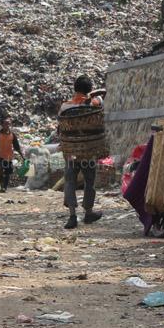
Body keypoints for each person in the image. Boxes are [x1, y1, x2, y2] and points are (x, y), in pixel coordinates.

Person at [59, 75, 103, 229]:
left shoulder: (65, 107)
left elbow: (61, 129)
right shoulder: (95, 104)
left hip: (72, 151)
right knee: (89, 181)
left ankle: (72, 216)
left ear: (75, 89)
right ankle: (88, 212)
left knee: (70, 181)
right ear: (89, 89)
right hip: (88, 151)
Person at [0, 118, 23, 193]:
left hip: (9, 156)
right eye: (5, 124)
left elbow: (16, 146)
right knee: (0, 172)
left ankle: (5, 187)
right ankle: (2, 187)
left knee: (8, 173)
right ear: (2, 125)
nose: (7, 126)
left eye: (9, 124)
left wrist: (22, 156)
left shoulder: (12, 135)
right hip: (0, 156)